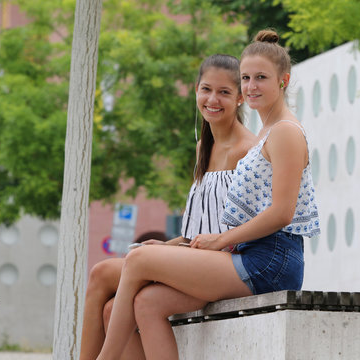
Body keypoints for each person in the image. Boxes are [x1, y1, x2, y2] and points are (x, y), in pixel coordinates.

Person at [96, 29, 320, 360]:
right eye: (246, 77)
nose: (251, 86)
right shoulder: (267, 132)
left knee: (138, 259)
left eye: (261, 77)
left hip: (270, 261)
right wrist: (192, 244)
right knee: (145, 302)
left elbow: (282, 213)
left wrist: (219, 240)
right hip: (248, 255)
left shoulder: (285, 132)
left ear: (283, 80)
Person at [79, 53, 257, 360]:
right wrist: (170, 245)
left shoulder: (248, 150)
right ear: (196, 90)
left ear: (240, 98)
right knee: (112, 308)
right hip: (194, 258)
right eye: (206, 89)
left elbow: (242, 232)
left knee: (103, 273)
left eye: (224, 92)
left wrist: (169, 254)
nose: (212, 99)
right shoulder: (204, 147)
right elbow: (203, 225)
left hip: (226, 265)